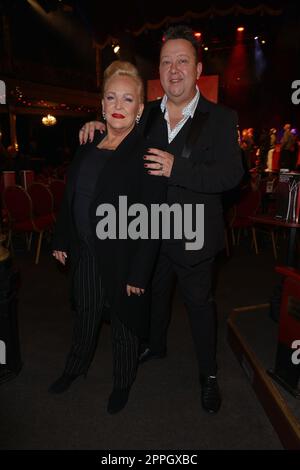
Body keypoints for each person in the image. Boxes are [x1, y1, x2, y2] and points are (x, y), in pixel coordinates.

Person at [79, 25, 244, 414]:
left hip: (194, 236)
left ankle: (209, 375)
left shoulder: (221, 118)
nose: (173, 69)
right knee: (153, 296)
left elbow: (231, 175)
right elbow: (119, 128)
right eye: (166, 62)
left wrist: (178, 169)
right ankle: (157, 344)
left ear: (198, 68)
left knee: (200, 307)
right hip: (149, 230)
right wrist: (98, 126)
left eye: (182, 61)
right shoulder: (147, 114)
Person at [49, 60, 166, 414]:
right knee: (84, 314)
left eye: (127, 100)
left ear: (139, 109)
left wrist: (139, 273)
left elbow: (153, 221)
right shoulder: (88, 143)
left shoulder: (148, 154)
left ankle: (121, 383)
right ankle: (75, 368)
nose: (118, 106)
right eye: (111, 98)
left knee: (124, 326)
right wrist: (61, 239)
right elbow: (73, 195)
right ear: (101, 106)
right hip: (85, 252)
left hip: (124, 260)